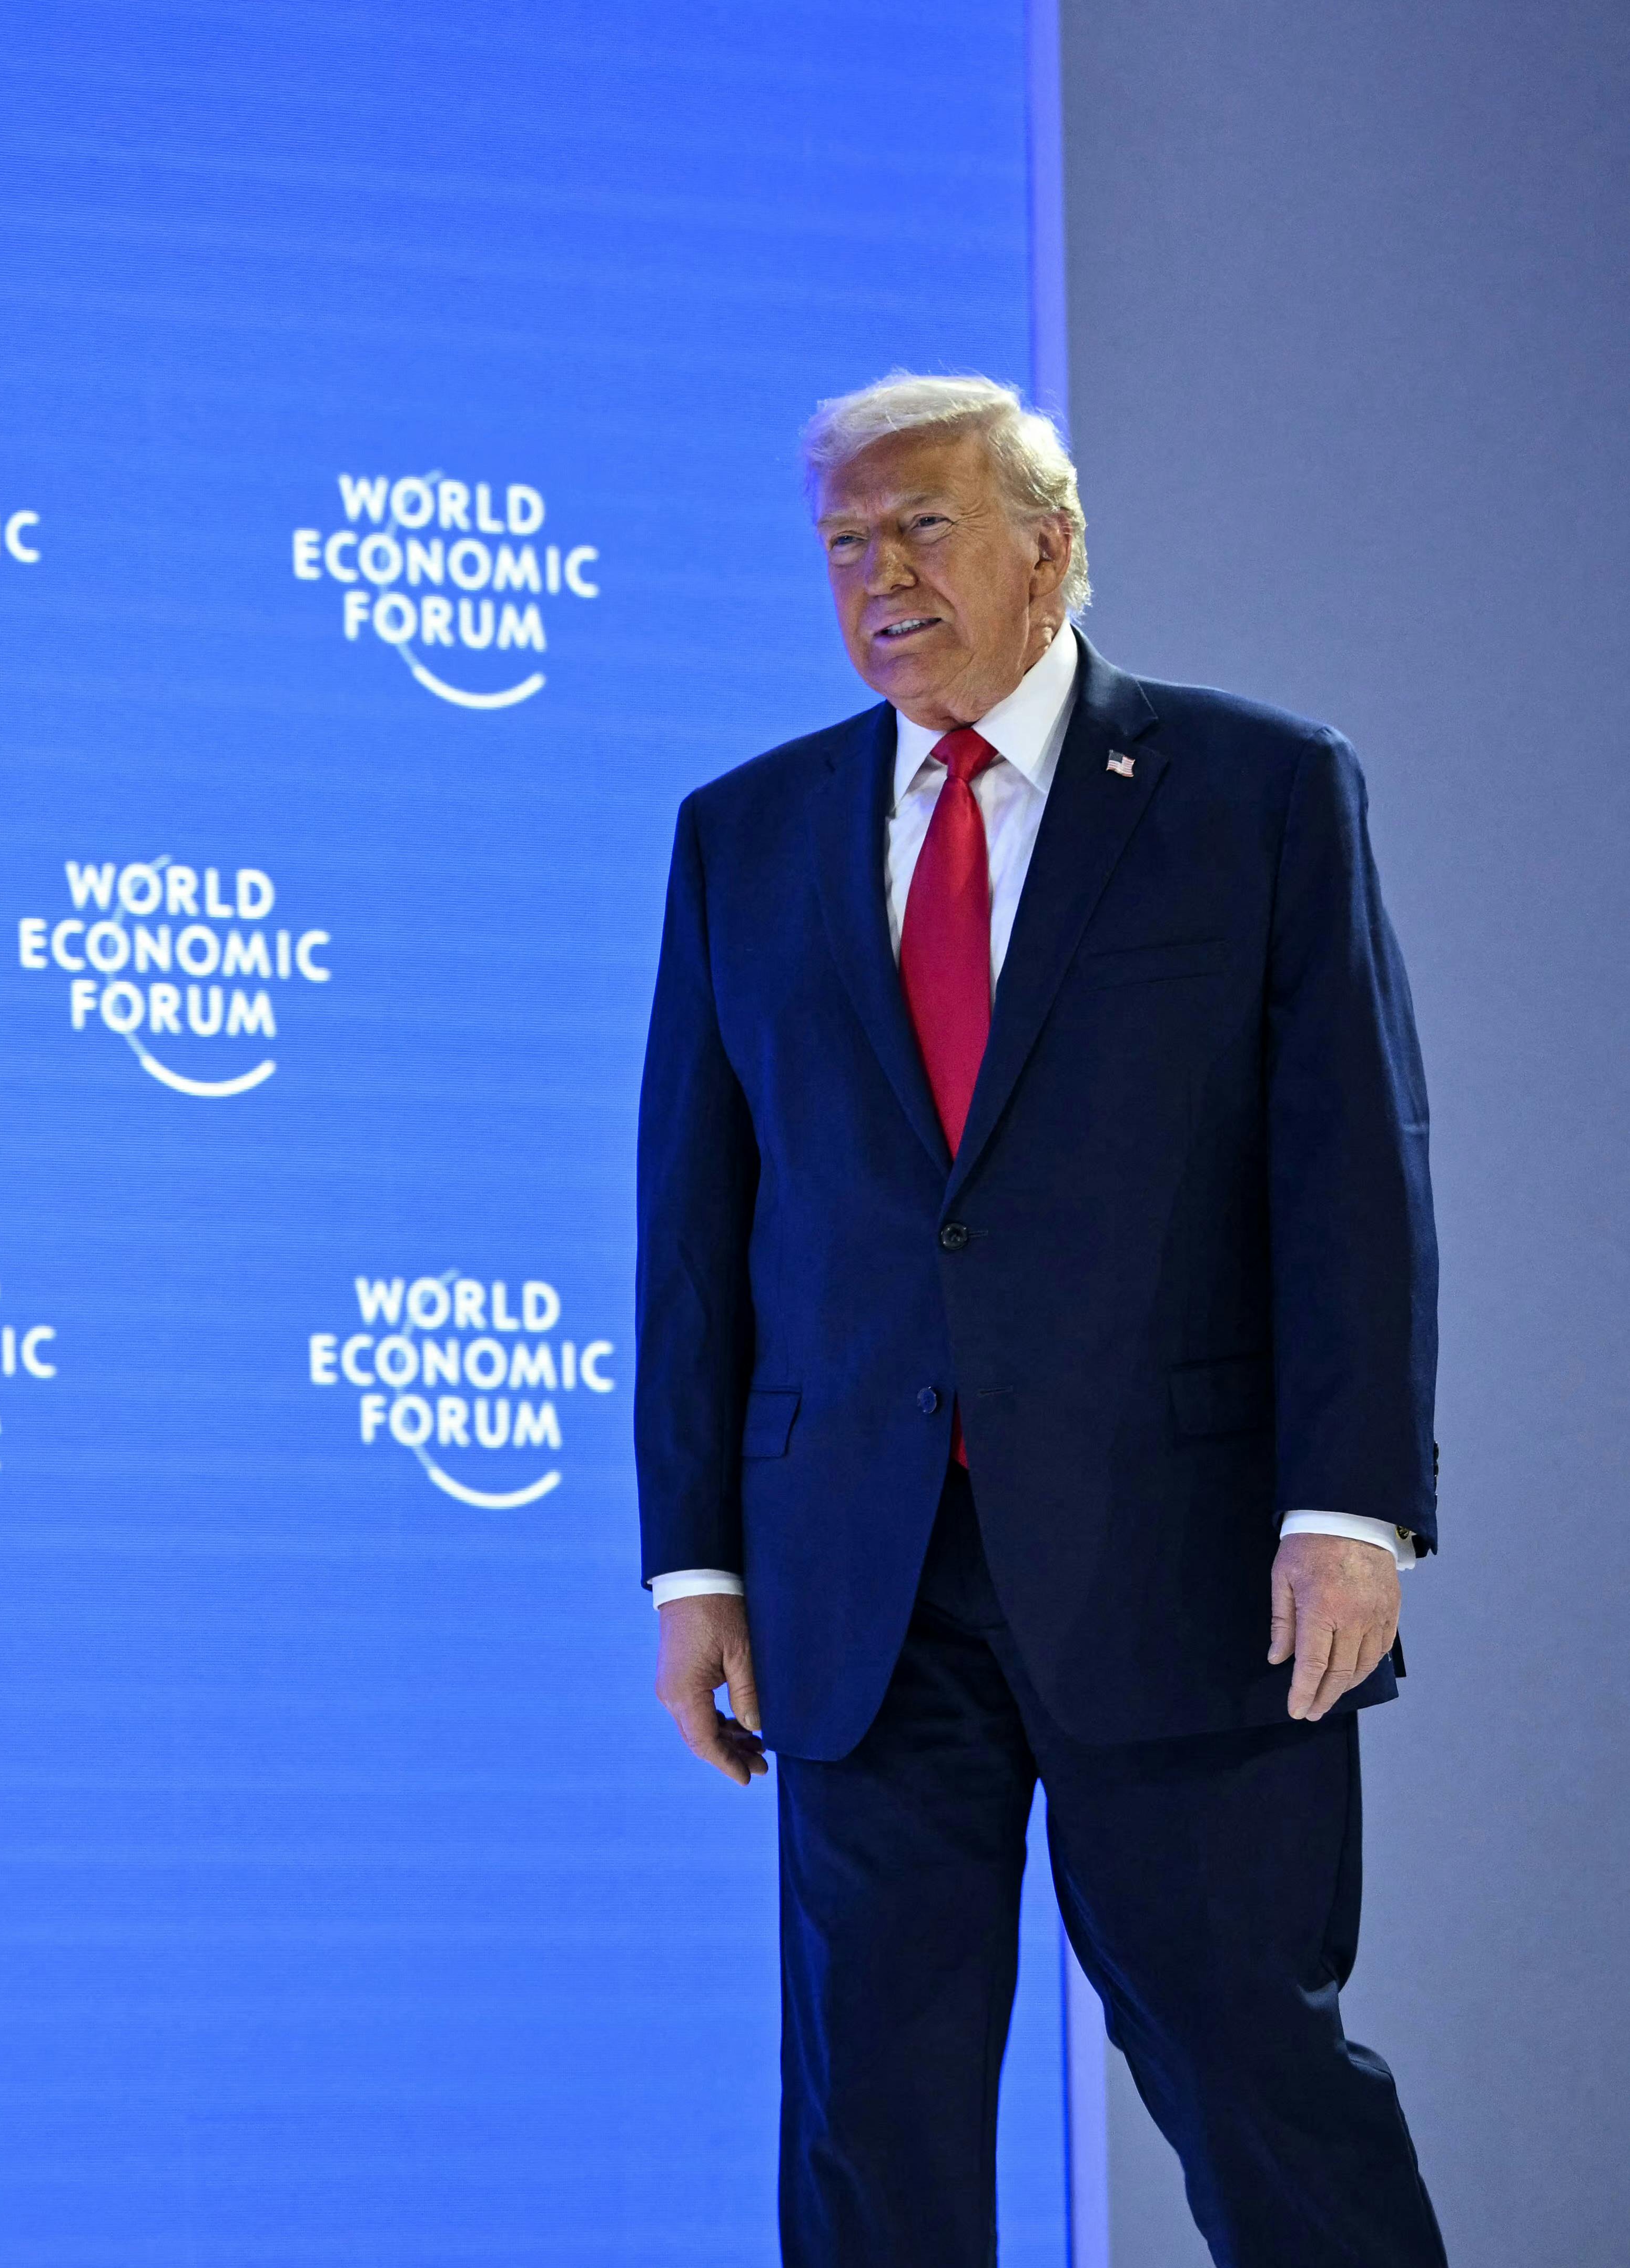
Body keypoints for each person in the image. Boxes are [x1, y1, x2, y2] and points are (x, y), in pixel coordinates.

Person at [634, 372, 1449, 2266]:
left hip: (1179, 1568)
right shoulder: (741, 835)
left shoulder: (1253, 792)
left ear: (1052, 544)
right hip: (858, 1576)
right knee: (871, 2109)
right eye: (844, 544)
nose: (878, 578)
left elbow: (1350, 1169)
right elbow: (696, 1222)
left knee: (1251, 2070)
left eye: (922, 527)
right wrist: (692, 1570)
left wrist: (1349, 1509)